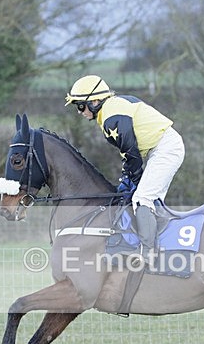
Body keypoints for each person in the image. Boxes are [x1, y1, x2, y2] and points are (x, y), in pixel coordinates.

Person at [65, 75, 185, 263]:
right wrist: (128, 177)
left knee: (142, 198)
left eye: (81, 105)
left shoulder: (112, 116)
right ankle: (154, 243)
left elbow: (131, 152)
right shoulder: (111, 110)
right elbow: (129, 154)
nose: (80, 111)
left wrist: (133, 179)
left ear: (95, 101)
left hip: (165, 148)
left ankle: (149, 253)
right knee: (142, 198)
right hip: (160, 148)